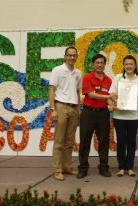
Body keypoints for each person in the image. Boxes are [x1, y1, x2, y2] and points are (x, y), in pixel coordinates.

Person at [77, 53, 114, 179]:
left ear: (105, 65)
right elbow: (91, 95)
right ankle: (83, 168)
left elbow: (109, 99)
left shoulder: (109, 80)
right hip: (88, 113)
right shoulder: (87, 77)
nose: (99, 65)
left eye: (102, 63)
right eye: (97, 62)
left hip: (103, 113)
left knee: (104, 141)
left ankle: (103, 167)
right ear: (93, 64)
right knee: (85, 141)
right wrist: (108, 97)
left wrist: (113, 104)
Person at [49, 46, 82, 181]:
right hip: (61, 106)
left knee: (69, 141)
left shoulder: (78, 73)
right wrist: (53, 109)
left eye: (74, 55)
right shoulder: (57, 70)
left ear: (76, 57)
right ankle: (57, 170)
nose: (72, 58)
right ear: (65, 56)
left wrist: (79, 108)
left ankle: (66, 167)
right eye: (69, 55)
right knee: (59, 140)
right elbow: (52, 90)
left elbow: (78, 92)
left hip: (74, 107)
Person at [109, 55, 138, 177]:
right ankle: (121, 167)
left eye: (131, 64)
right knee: (121, 141)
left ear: (135, 66)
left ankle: (130, 167)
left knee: (131, 142)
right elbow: (111, 93)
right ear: (123, 66)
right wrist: (115, 100)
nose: (129, 66)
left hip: (133, 116)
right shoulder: (118, 78)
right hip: (119, 116)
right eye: (127, 64)